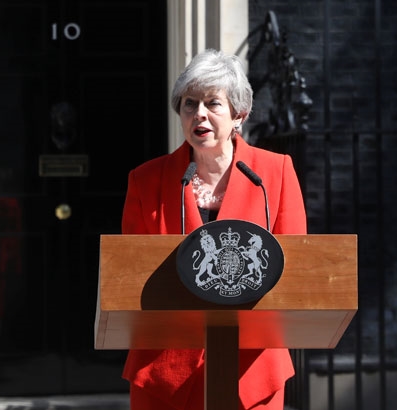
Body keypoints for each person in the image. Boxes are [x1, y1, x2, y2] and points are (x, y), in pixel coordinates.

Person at [120, 48, 308, 410]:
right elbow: (129, 276)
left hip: (251, 372)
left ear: (239, 114)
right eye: (189, 104)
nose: (199, 114)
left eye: (212, 103)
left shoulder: (274, 174)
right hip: (165, 373)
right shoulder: (146, 180)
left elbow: (297, 270)